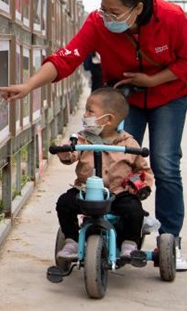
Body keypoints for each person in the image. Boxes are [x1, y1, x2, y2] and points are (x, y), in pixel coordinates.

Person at [0, 0, 187, 271]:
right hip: (123, 100)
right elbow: (66, 58)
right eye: (102, 9)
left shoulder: (171, 17)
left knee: (165, 163)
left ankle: (170, 238)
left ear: (138, 8)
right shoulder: (98, 23)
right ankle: (116, 228)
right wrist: (30, 85)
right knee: (110, 158)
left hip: (169, 95)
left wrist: (153, 79)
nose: (106, 17)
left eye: (114, 12)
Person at [55, 88, 154, 260]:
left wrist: (140, 185)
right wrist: (65, 149)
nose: (85, 115)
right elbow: (71, 155)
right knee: (64, 203)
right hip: (86, 191)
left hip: (118, 193)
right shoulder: (82, 139)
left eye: (90, 111)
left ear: (108, 119)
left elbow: (142, 170)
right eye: (86, 110)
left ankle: (129, 243)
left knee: (134, 209)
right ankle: (72, 240)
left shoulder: (129, 143)